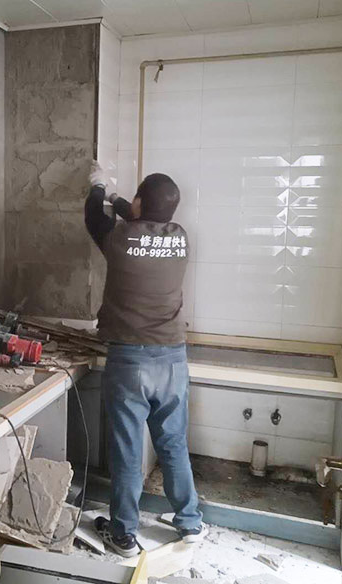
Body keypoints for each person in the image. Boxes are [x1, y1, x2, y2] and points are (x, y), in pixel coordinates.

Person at [84, 161, 207, 557]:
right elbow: (146, 216)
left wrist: (98, 188)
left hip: (130, 361)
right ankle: (189, 522)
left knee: (127, 449)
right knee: (172, 444)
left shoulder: (120, 239)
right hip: (172, 359)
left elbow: (93, 218)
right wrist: (119, 197)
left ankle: (123, 534)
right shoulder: (180, 238)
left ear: (139, 204)